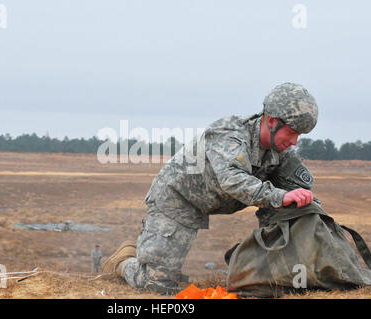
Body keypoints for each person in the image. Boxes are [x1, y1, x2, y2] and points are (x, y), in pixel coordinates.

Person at [102, 82, 319, 294]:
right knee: (156, 285)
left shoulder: (280, 149)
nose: (294, 141)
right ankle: (123, 261)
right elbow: (234, 180)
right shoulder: (229, 133)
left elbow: (301, 190)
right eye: (291, 133)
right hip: (178, 199)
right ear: (272, 121)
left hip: (213, 200)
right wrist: (280, 196)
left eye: (299, 136)